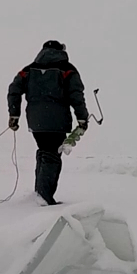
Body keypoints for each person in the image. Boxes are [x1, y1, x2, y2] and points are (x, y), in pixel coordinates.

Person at [7, 40, 90, 205]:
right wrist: (82, 118)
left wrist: (14, 115)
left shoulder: (28, 69)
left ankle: (39, 193)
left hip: (35, 121)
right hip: (57, 122)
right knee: (52, 155)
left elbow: (14, 90)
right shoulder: (67, 69)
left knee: (45, 151)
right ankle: (44, 197)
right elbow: (76, 95)